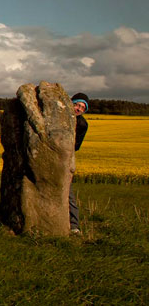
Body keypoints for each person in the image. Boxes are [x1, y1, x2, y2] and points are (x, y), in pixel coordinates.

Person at [70, 92, 90, 234]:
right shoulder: (56, 115)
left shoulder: (82, 124)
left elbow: (76, 146)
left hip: (66, 158)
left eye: (82, 108)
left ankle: (74, 226)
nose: (78, 109)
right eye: (77, 104)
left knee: (68, 193)